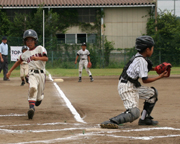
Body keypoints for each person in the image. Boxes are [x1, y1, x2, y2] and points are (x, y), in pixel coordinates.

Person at [100, 36, 168, 129]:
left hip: (132, 85)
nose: (153, 50)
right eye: (152, 48)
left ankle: (144, 118)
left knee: (152, 93)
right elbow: (145, 80)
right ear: (147, 49)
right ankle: (112, 121)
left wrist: (155, 69)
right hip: (126, 87)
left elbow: (142, 69)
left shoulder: (138, 57)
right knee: (134, 113)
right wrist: (160, 77)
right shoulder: (141, 60)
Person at [6, 29, 48, 119]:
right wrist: (10, 71)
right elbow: (18, 62)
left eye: (31, 40)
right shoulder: (25, 54)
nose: (29, 42)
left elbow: (46, 58)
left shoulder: (40, 48)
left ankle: (38, 99)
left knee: (39, 99)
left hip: (41, 74)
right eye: (27, 40)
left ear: (35, 40)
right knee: (32, 88)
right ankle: (31, 109)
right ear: (25, 42)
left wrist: (37, 58)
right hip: (32, 74)